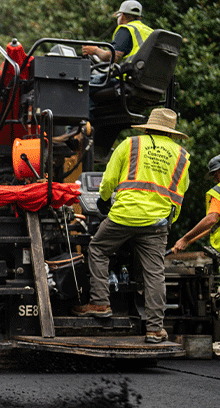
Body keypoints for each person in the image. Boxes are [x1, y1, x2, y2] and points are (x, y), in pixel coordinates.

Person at [73, 108, 190, 344]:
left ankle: (100, 302)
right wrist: (168, 223)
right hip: (157, 222)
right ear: (171, 132)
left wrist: (104, 200)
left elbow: (108, 180)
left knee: (97, 248)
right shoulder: (181, 155)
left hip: (124, 216)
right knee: (154, 273)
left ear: (147, 126)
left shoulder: (130, 144)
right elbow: (179, 194)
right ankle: (156, 329)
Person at [82, 1, 153, 97]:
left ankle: (85, 112)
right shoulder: (151, 32)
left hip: (126, 80)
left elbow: (113, 57)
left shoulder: (126, 29)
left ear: (122, 15)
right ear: (139, 17)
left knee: (82, 86)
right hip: (147, 84)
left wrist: (94, 50)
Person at [172, 155, 220, 253]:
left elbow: (212, 219)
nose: (215, 180)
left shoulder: (219, 191)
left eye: (215, 175)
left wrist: (185, 239)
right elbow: (215, 224)